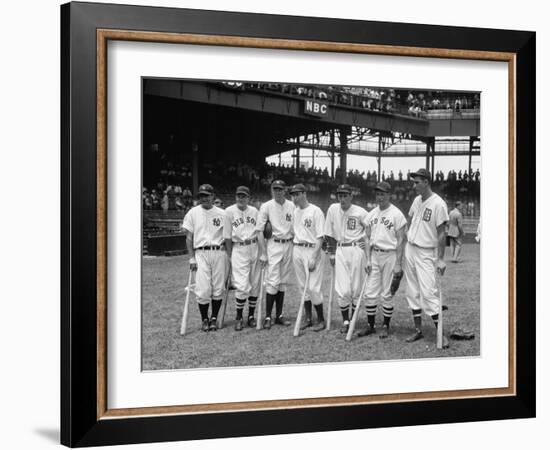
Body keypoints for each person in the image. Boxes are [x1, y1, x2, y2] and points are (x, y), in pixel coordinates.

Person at [403, 169, 449, 348]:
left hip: (426, 252)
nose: (414, 185)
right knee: (411, 291)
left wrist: (441, 259)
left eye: (417, 182)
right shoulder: (416, 200)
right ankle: (418, 330)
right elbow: (410, 219)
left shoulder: (438, 204)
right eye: (413, 182)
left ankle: (440, 333)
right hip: (411, 248)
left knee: (429, 293)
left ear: (426, 182)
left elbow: (441, 234)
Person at [358, 181, 407, 339]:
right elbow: (366, 237)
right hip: (374, 254)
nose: (380, 197)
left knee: (387, 293)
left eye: (383, 194)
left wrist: (398, 264)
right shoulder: (371, 214)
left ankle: (386, 325)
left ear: (389, 195)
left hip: (390, 255)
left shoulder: (397, 214)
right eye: (378, 193)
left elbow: (401, 240)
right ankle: (370, 326)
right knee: (370, 292)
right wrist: (367, 259)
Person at [181, 184, 227, 332]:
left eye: (207, 195)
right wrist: (191, 258)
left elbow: (228, 236)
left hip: (219, 252)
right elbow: (189, 237)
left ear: (213, 196)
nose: (204, 198)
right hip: (200, 252)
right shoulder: (193, 213)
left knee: (218, 287)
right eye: (201, 196)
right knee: (203, 288)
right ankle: (204, 319)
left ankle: (214, 318)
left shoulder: (222, 213)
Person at [324, 184, 369, 334]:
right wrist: (331, 253)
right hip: (340, 250)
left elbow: (371, 228)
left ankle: (353, 318)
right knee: (343, 289)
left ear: (351, 196)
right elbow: (328, 233)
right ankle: (345, 320)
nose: (342, 198)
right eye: (340, 196)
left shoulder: (361, 212)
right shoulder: (332, 209)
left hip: (356, 249)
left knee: (356, 287)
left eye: (345, 195)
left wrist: (367, 239)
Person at [256, 180, 295, 329]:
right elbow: (259, 231)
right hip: (273, 244)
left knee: (282, 282)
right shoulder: (266, 206)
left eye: (280, 189)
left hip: (288, 244)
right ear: (272, 190)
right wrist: (263, 253)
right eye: (275, 189)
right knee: (272, 281)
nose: (277, 191)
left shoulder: (291, 206)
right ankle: (267, 316)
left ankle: (279, 316)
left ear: (284, 190)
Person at [289, 184, 326, 332]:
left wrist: (314, 256)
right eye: (293, 194)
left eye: (297, 194)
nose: (295, 197)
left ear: (304, 194)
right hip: (297, 248)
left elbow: (320, 236)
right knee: (303, 286)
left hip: (312, 249)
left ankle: (321, 319)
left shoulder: (316, 211)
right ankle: (309, 318)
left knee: (313, 287)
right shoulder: (295, 211)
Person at [224, 186, 261, 331]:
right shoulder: (229, 211)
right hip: (239, 248)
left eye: (244, 196)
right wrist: (229, 253)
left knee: (254, 283)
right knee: (241, 284)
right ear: (235, 197)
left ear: (248, 198)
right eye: (238, 195)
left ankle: (251, 316)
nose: (241, 198)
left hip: (254, 246)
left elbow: (259, 232)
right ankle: (239, 317)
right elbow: (227, 236)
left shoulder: (254, 211)